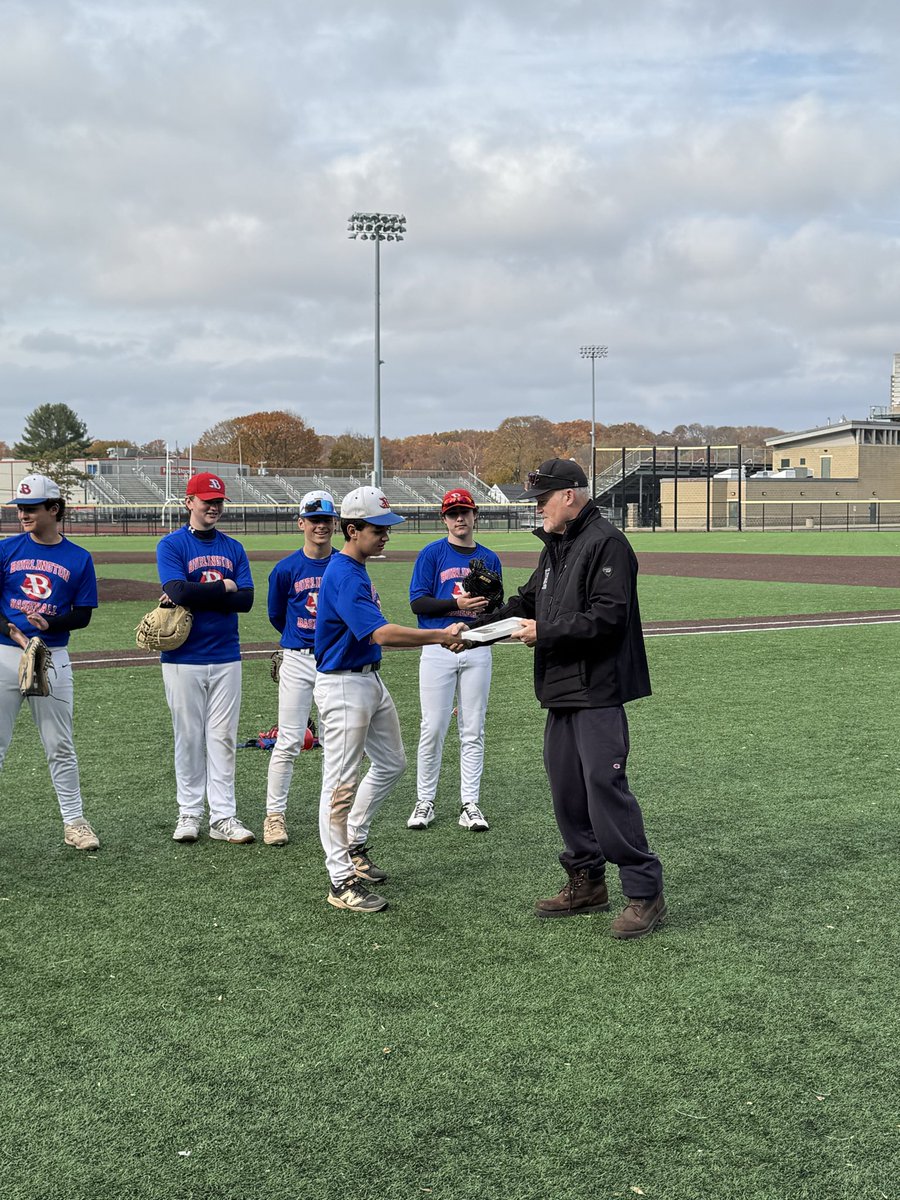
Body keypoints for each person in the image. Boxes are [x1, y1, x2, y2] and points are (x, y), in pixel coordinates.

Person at [485, 458, 666, 939]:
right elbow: (528, 601)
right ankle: (586, 880)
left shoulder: (607, 542)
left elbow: (609, 617)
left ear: (570, 495)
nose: (537, 508)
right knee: (567, 790)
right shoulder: (558, 546)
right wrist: (476, 629)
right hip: (561, 689)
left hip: (598, 689)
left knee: (605, 790)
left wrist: (544, 630)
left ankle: (645, 891)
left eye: (542, 500)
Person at [313, 486, 466, 914]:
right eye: (377, 528)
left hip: (366, 680)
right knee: (339, 786)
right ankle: (340, 879)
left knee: (392, 763)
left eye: (386, 528)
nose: (385, 535)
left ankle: (354, 843)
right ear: (352, 529)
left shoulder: (355, 568)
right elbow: (381, 633)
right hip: (343, 685)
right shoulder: (343, 573)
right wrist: (440, 633)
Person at [0, 474, 100, 850]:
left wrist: (51, 623)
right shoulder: (6, 549)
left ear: (54, 509)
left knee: (60, 745)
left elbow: (84, 614)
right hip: (5, 653)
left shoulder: (78, 557)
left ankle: (75, 823)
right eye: (20, 508)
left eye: (30, 508)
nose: (23, 514)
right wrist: (13, 631)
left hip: (52, 656)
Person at [156, 471, 255, 844]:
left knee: (223, 738)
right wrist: (223, 587)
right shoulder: (172, 545)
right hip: (183, 658)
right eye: (206, 500)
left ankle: (224, 817)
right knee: (188, 737)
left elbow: (245, 600)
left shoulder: (234, 547)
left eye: (218, 501)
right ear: (189, 502)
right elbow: (177, 589)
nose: (213, 507)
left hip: (227, 654)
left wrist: (198, 593)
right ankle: (189, 813)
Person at [407, 488, 503, 832]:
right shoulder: (432, 554)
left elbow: (495, 608)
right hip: (437, 647)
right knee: (432, 727)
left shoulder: (489, 558)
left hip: (476, 647)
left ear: (475, 515)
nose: (459, 518)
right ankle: (425, 801)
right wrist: (458, 608)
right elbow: (418, 603)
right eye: (452, 513)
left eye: (464, 512)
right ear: (444, 518)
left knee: (473, 728)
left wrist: (481, 614)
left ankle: (470, 804)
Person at [262, 490, 338, 846]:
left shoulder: (344, 564)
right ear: (301, 523)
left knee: (333, 741)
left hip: (334, 658)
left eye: (325, 519)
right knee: (289, 740)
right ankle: (274, 816)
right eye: (313, 519)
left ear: (335, 524)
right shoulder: (286, 568)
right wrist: (295, 640)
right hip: (297, 657)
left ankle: (332, 812)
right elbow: (277, 614)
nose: (319, 525)